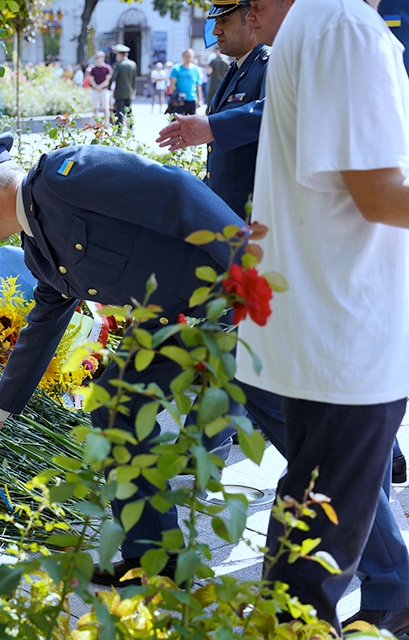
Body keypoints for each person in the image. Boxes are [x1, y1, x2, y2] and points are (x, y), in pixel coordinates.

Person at [0, 134, 245, 586]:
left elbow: (177, 191)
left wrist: (250, 269)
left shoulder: (63, 177)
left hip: (223, 298)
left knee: (306, 432)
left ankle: (379, 570)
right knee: (115, 407)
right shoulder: (37, 247)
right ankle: (153, 561)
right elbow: (42, 330)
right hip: (173, 315)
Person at [237, 0, 409, 633]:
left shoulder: (321, 23)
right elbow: (379, 195)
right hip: (349, 329)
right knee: (312, 563)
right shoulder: (345, 25)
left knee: (307, 526)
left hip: (334, 322)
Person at [157, 0, 268, 217]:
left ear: (251, 20)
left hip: (251, 212)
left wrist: (212, 127)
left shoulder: (267, 64)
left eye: (224, 20)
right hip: (225, 206)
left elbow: (272, 113)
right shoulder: (238, 66)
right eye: (216, 22)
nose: (216, 30)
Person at [109, 44, 137, 127]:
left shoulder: (118, 65)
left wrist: (109, 88)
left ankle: (119, 129)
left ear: (119, 54)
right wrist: (133, 91)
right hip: (129, 91)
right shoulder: (133, 64)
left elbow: (113, 78)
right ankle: (131, 127)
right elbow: (134, 80)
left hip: (120, 92)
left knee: (119, 111)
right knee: (128, 110)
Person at [169, 48, 202, 115]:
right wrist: (176, 98)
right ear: (182, 56)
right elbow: (172, 85)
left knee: (191, 123)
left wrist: (200, 100)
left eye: (190, 56)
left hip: (191, 99)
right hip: (180, 100)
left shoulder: (196, 70)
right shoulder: (176, 69)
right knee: (177, 122)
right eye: (186, 56)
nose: (188, 58)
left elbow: (198, 86)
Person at [85, 51, 112, 125]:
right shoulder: (93, 69)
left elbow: (107, 80)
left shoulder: (107, 68)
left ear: (103, 58)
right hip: (95, 90)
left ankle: (106, 123)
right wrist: (96, 87)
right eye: (96, 57)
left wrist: (100, 87)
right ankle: (95, 123)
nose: (97, 59)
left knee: (105, 108)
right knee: (95, 108)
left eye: (98, 57)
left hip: (104, 90)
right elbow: (91, 79)